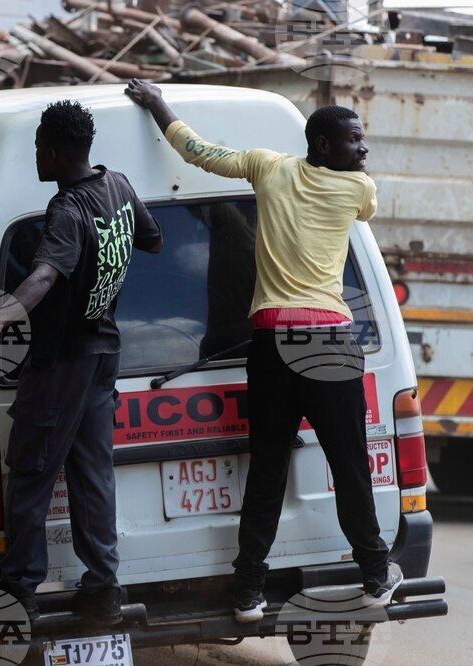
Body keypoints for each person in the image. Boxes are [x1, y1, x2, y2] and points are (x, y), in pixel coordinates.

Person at [124, 80, 403, 623]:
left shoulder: (266, 168)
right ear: (324, 146)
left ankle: (248, 591)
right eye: (354, 140)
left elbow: (196, 150)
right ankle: (374, 576)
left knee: (267, 469)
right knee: (349, 466)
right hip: (328, 345)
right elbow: (362, 202)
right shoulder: (357, 190)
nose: (363, 149)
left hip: (272, 345)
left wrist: (157, 103)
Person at [0, 100, 163, 624]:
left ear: (52, 153)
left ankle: (20, 596)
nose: (34, 157)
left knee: (29, 476)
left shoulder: (67, 210)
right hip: (103, 357)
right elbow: (154, 240)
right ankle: (103, 591)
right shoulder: (116, 184)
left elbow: (45, 275)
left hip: (64, 363)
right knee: (93, 476)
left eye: (36, 149)